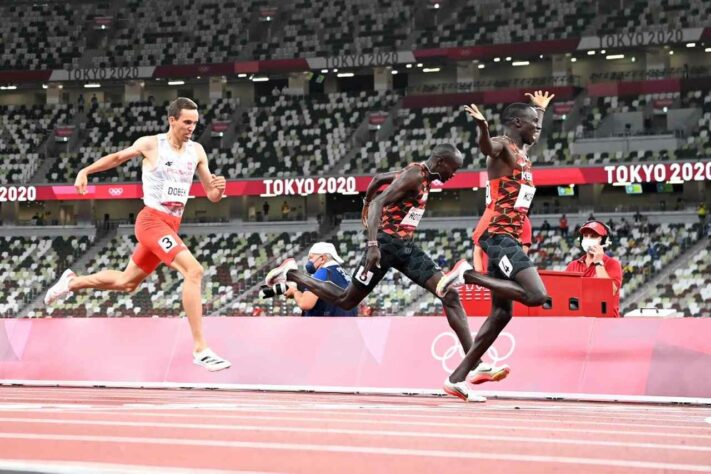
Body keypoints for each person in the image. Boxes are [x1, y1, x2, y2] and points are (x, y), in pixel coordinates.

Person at [264, 144, 487, 402]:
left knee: (448, 293)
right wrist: (372, 243)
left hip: (404, 248)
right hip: (384, 246)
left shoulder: (420, 175)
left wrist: (365, 202)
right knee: (346, 299)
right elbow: (381, 200)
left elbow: (377, 180)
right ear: (440, 161)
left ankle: (473, 362)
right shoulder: (414, 175)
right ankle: (293, 274)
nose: (454, 175)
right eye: (454, 169)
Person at [43, 97, 230, 372]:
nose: (192, 127)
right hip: (151, 221)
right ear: (172, 120)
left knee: (126, 282)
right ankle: (201, 348)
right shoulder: (152, 144)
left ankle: (71, 282)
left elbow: (212, 195)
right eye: (187, 122)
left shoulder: (197, 152)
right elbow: (117, 158)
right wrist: (85, 170)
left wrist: (220, 188)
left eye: (195, 123)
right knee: (194, 271)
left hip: (172, 225)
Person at [435, 91, 554, 396]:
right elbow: (487, 146)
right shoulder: (502, 146)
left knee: (502, 314)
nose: (537, 129)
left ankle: (457, 378)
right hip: (498, 236)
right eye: (532, 124)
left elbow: (532, 134)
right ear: (516, 123)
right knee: (537, 295)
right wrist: (483, 128)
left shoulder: (521, 151)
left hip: (507, 235)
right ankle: (467, 275)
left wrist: (538, 110)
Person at [281, 242, 356, 317]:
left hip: (327, 326)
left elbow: (305, 303)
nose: (309, 262)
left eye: (311, 257)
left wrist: (294, 291)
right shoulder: (346, 275)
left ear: (323, 258)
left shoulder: (323, 272)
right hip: (348, 324)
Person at [564, 220, 623, 317]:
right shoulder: (572, 265)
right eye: (586, 236)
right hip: (579, 321)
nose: (588, 239)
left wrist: (598, 262)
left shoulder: (613, 264)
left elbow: (609, 291)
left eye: (593, 236)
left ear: (604, 241)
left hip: (605, 321)